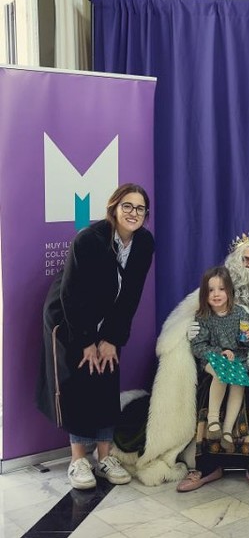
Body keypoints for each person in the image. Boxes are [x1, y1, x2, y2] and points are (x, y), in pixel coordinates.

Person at [116, 234, 249, 493]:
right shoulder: (218, 289)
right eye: (245, 260)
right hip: (219, 359)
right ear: (235, 264)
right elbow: (187, 318)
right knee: (208, 382)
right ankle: (207, 466)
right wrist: (190, 334)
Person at [37, 183, 155, 490]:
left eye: (140, 208)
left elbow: (131, 296)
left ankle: (104, 456)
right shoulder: (89, 239)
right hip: (69, 317)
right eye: (127, 206)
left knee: (107, 375)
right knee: (81, 379)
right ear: (114, 208)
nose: (133, 213)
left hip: (107, 320)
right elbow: (72, 295)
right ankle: (78, 459)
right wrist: (87, 342)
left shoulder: (144, 243)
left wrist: (112, 339)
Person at [190, 266, 249, 454]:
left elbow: (245, 341)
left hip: (237, 358)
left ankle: (227, 430)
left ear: (229, 291)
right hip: (212, 358)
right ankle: (213, 420)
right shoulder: (203, 316)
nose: (216, 294)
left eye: (221, 289)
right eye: (211, 290)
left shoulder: (240, 313)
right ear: (204, 294)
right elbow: (198, 346)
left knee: (238, 383)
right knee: (222, 371)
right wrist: (220, 352)